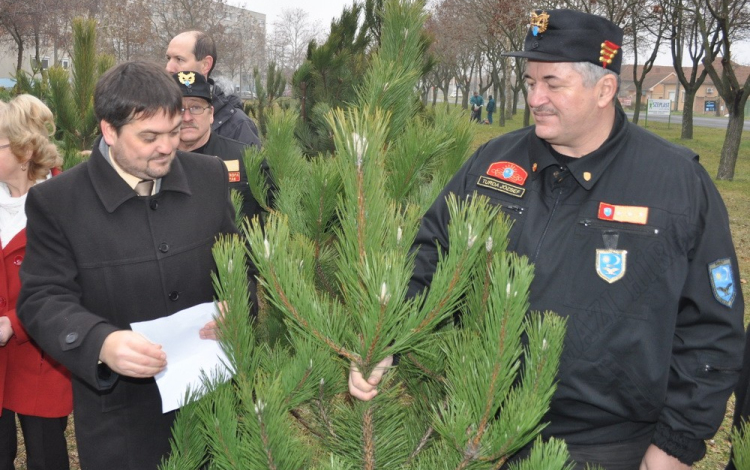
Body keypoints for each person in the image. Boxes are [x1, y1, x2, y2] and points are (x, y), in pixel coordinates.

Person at [350, 9, 745, 470]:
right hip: (474, 432)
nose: (535, 97)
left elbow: (712, 329)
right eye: (530, 81)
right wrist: (388, 341)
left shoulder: (677, 184)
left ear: (605, 89)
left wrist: (676, 444)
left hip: (604, 448)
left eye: (553, 83)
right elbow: (430, 254)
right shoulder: (492, 164)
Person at [17, 61, 240, 469]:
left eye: (173, 132)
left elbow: (237, 263)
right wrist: (100, 342)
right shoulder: (59, 201)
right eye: (149, 136)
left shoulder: (208, 176)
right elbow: (42, 298)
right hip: (121, 417)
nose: (167, 146)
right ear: (109, 131)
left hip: (213, 403)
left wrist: (238, 308)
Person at [0, 95, 71, 470]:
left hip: (41, 359)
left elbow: (70, 286)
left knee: (46, 456)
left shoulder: (64, 203)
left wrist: (14, 322)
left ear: (25, 151)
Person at [172, 70, 268, 224]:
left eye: (196, 107)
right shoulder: (158, 163)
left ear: (211, 114)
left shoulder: (246, 157)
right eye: (179, 109)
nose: (187, 117)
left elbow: (281, 205)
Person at [166, 30, 262, 148]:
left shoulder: (238, 126)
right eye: (168, 59)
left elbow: (253, 166)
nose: (169, 68)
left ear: (205, 65)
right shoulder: (157, 114)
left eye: (179, 59)